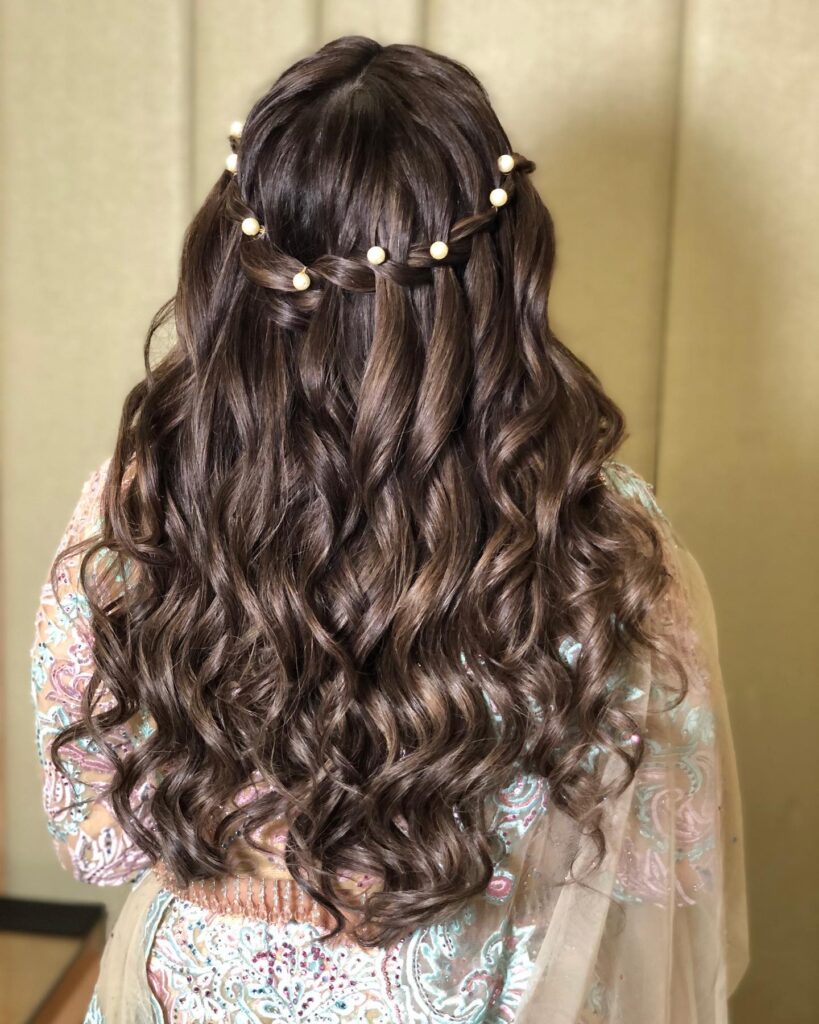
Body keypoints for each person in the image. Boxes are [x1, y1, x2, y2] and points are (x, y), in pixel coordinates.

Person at [29, 35, 748, 1023]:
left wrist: (259, 859)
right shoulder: (598, 538)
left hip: (194, 995)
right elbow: (667, 865)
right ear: (505, 272)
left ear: (233, 259)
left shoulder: (139, 498)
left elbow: (96, 836)